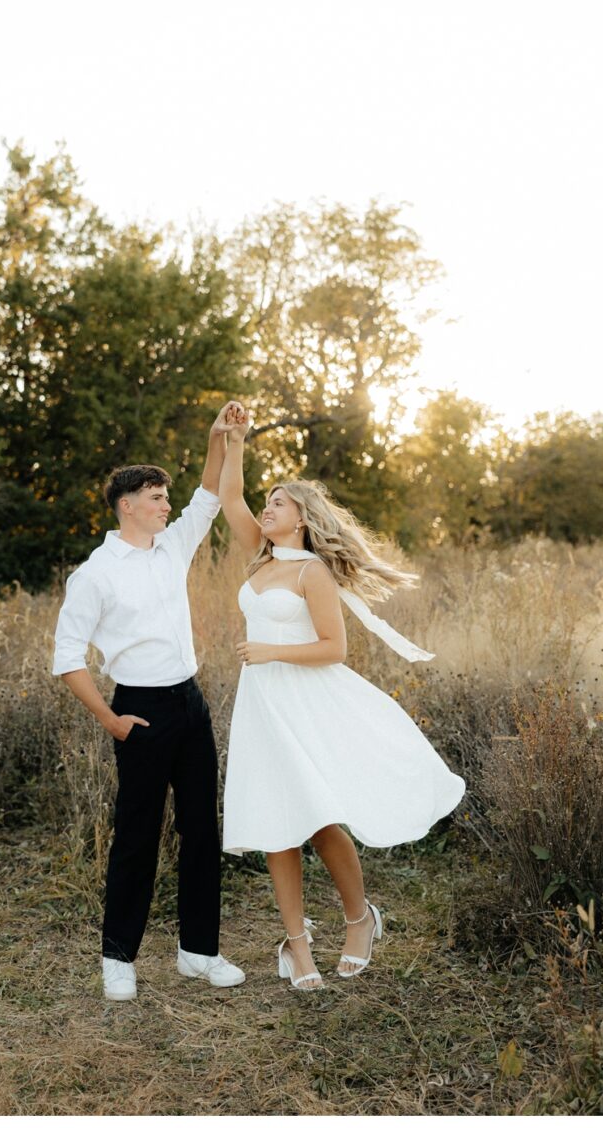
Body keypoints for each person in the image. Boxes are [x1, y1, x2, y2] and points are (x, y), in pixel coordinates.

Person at [212, 402, 462, 990]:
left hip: (307, 699)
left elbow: (334, 648)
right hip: (262, 705)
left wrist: (271, 651)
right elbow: (229, 498)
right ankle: (296, 947)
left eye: (278, 502)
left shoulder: (310, 573)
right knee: (277, 822)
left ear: (300, 518)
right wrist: (236, 440)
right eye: (268, 501)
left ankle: (360, 920)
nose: (266, 508)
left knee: (321, 819)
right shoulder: (262, 558)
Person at [50, 406, 251, 1002]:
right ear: (128, 505)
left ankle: (199, 951)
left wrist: (219, 437)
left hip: (190, 704)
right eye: (156, 497)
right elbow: (67, 656)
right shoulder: (96, 574)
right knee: (137, 835)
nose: (167, 505)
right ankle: (118, 958)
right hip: (137, 711)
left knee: (200, 831)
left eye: (167, 497)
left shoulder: (172, 547)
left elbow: (209, 496)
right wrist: (111, 720)